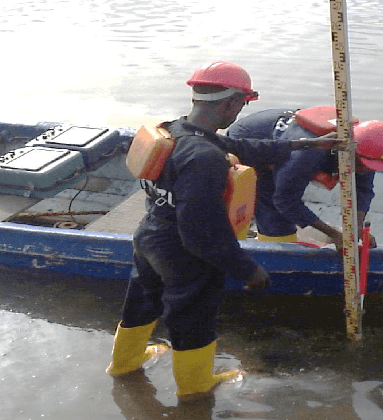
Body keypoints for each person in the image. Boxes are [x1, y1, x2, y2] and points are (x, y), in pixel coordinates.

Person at [106, 61, 340, 400]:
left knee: (143, 299)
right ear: (229, 103)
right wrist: (249, 269)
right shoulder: (205, 159)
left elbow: (244, 148)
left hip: (150, 235)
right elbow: (202, 236)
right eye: (242, 105)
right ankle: (196, 386)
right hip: (183, 253)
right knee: (193, 318)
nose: (240, 111)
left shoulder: (175, 130)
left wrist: (306, 145)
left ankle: (125, 363)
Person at [226, 106, 383, 248]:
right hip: (249, 143)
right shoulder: (308, 155)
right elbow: (285, 201)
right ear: (349, 152)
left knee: (287, 192)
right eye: (361, 165)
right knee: (276, 221)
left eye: (369, 167)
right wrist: (333, 234)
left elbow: (363, 189)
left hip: (284, 141)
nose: (364, 170)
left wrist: (357, 227)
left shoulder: (364, 148)